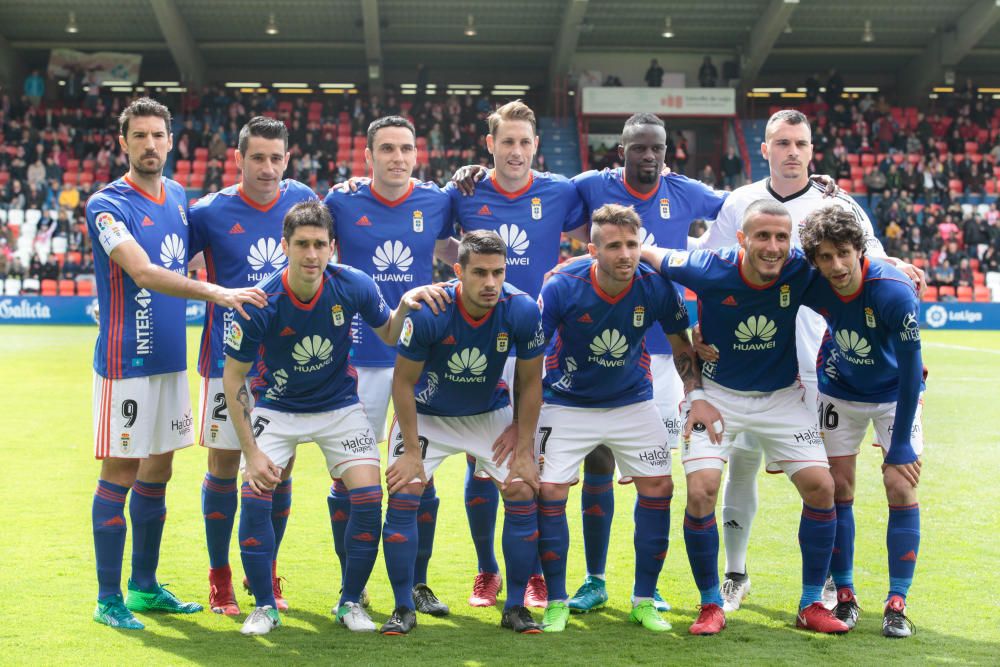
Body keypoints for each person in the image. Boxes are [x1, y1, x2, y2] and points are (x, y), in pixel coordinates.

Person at [689, 109, 923, 613]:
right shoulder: (740, 201)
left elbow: (872, 261)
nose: (791, 151)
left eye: (800, 143)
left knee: (828, 482)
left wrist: (899, 266)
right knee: (743, 463)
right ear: (765, 148)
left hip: (823, 359)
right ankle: (735, 573)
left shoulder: (837, 202)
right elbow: (709, 267)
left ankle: (822, 591)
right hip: (753, 359)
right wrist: (698, 329)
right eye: (781, 142)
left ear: (812, 150)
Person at [87, 97, 266, 631]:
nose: (148, 145)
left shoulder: (179, 196)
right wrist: (220, 292)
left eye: (156, 135)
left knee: (159, 470)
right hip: (126, 362)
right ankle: (107, 598)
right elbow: (143, 272)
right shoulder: (106, 204)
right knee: (119, 472)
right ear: (124, 143)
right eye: (138, 136)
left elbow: (184, 257)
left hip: (169, 360)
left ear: (171, 140)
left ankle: (144, 587)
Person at [223, 200, 442, 635]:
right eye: (301, 244)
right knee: (255, 490)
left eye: (319, 244)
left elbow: (389, 333)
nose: (311, 254)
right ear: (284, 246)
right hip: (277, 408)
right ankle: (264, 606)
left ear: (332, 247)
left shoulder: (353, 283)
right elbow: (233, 379)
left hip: (339, 407)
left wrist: (403, 304)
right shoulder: (259, 302)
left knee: (367, 497)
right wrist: (250, 452)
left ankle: (349, 601)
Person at [643, 199, 849, 635]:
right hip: (717, 397)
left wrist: (894, 264)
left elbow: (850, 268)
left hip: (781, 398)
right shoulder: (707, 268)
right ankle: (710, 604)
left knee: (822, 487)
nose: (772, 247)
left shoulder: (800, 269)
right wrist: (597, 254)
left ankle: (812, 602)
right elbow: (651, 255)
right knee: (701, 491)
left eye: (781, 237)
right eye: (762, 236)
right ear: (742, 239)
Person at [536, 204, 719, 634]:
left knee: (659, 486)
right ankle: (556, 601)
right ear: (593, 250)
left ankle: (643, 599)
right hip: (567, 402)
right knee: (548, 491)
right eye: (614, 246)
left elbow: (680, 347)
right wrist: (524, 421)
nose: (625, 254)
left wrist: (694, 394)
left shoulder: (656, 285)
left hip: (633, 401)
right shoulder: (563, 285)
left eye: (632, 244)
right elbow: (531, 355)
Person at [441, 100, 587, 608]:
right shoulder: (464, 191)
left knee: (535, 461)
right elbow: (437, 240)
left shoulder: (560, 191)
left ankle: (537, 573)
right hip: (476, 340)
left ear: (537, 147)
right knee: (482, 462)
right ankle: (487, 570)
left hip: (536, 342)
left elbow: (608, 216)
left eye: (526, 142)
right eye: (508, 142)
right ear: (490, 145)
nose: (517, 151)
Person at [381, 230, 547, 635]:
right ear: (458, 271)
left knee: (523, 488)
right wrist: (411, 454)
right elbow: (402, 383)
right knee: (404, 491)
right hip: (427, 415)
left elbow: (531, 384)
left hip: (487, 413)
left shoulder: (521, 310)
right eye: (480, 273)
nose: (491, 283)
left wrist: (523, 444)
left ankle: (514, 608)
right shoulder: (429, 312)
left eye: (498, 273)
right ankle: (403, 607)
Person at [323, 115, 456, 616]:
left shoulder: (438, 201)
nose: (398, 158)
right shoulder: (341, 201)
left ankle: (418, 583)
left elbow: (464, 244)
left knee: (418, 473)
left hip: (415, 361)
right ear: (368, 156)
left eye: (406, 148)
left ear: (417, 154)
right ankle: (351, 585)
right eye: (387, 149)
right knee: (347, 476)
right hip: (353, 361)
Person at [188, 116, 318, 616]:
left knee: (278, 472)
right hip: (226, 361)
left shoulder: (304, 201)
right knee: (223, 467)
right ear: (238, 159)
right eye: (257, 157)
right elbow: (177, 264)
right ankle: (219, 576)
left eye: (276, 158)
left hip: (287, 366)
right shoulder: (210, 212)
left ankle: (264, 572)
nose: (267, 167)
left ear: (288, 159)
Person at [799, 205, 923, 638]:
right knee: (837, 489)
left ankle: (897, 601)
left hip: (893, 396)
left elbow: (912, 370)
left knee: (900, 484)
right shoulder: (813, 283)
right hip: (839, 392)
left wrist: (902, 443)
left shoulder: (893, 291)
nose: (836, 265)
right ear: (815, 260)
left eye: (844, 254)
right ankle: (845, 595)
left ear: (860, 250)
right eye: (826, 257)